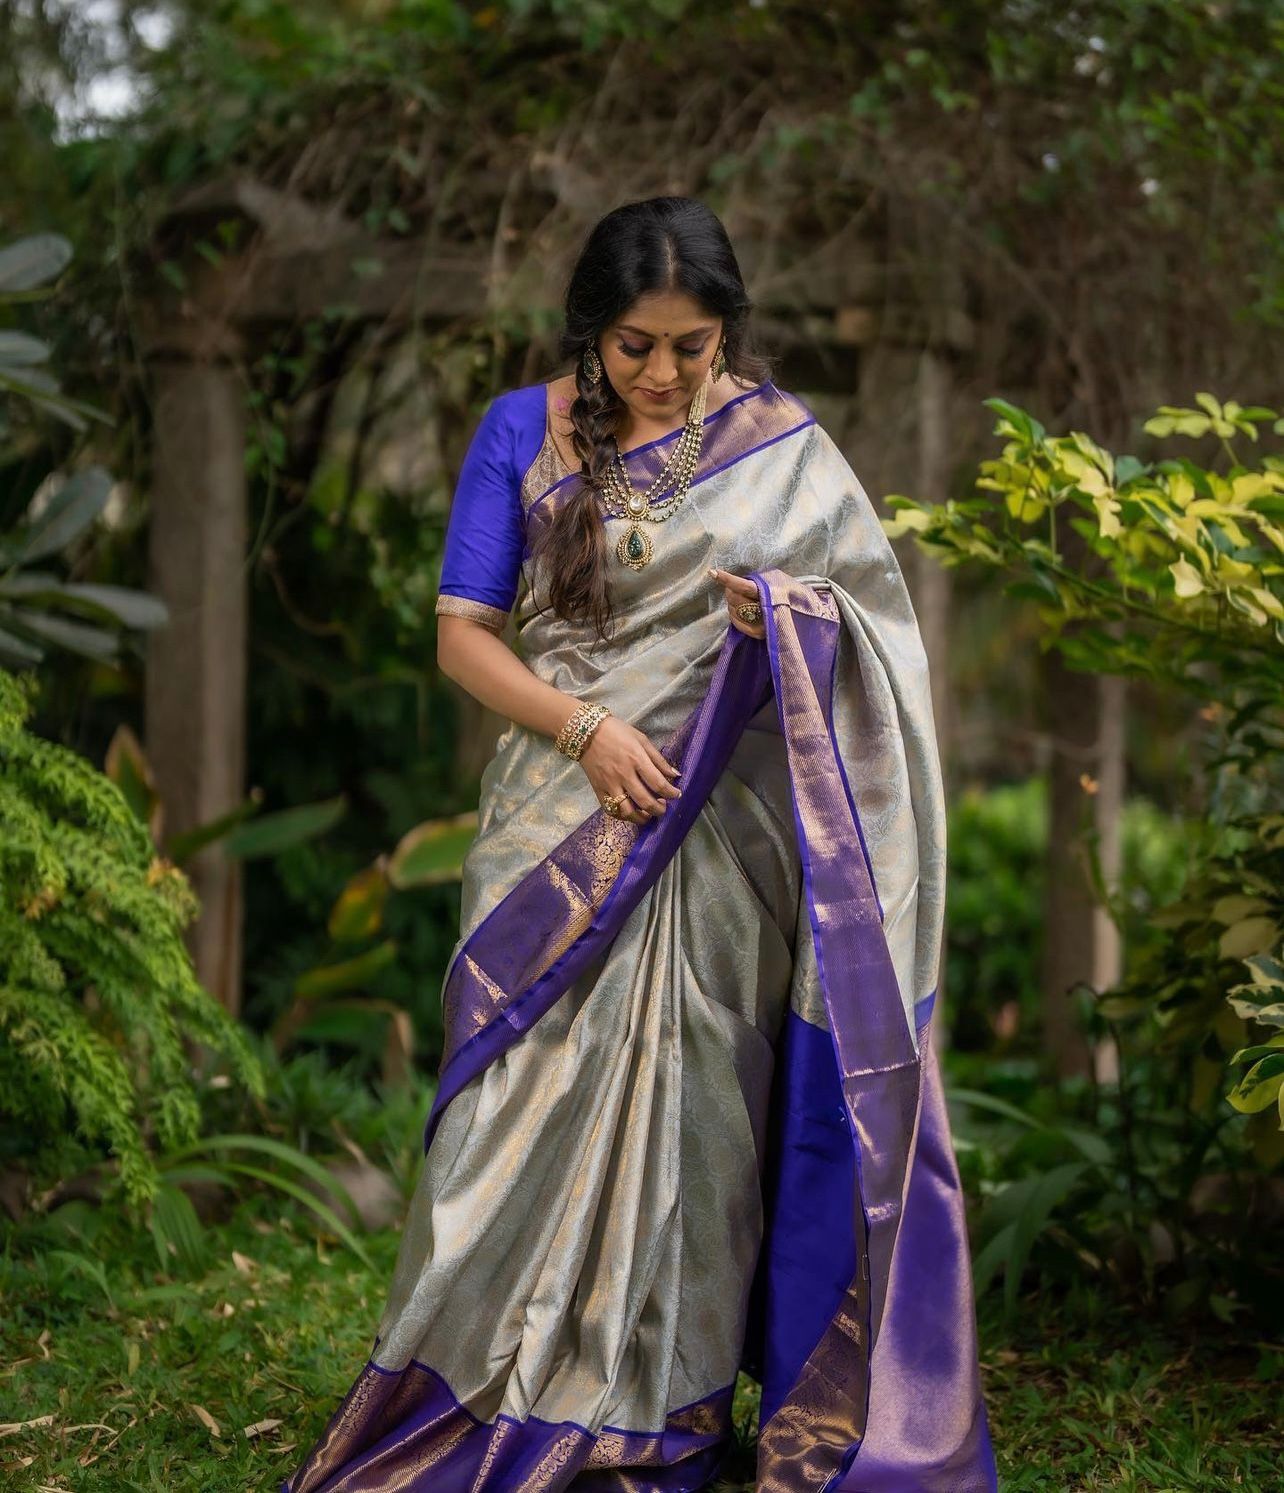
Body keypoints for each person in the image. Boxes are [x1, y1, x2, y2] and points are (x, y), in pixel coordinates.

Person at [282, 196, 997, 1493]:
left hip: (716, 837)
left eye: (693, 344)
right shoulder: (522, 429)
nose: (664, 372)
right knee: (502, 1124)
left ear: (730, 331)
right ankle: (476, 1387)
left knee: (696, 1133)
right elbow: (463, 636)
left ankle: (654, 1420)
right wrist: (588, 733)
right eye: (634, 346)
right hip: (556, 818)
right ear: (590, 333)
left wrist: (779, 615)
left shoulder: (782, 449)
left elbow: (872, 630)